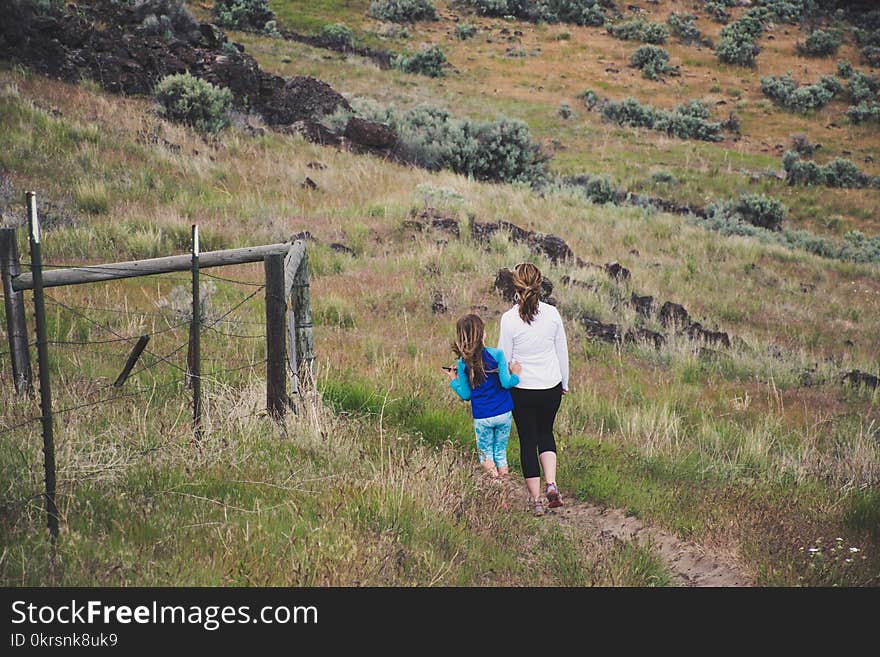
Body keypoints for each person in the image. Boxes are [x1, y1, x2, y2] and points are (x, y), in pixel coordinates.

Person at [498, 263, 569, 516]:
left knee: (528, 441)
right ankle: (552, 483)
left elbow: (504, 358)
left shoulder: (508, 320)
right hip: (550, 386)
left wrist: (503, 385)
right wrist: (565, 382)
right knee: (546, 434)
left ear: (516, 288)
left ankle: (537, 501)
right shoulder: (552, 314)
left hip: (522, 389)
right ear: (540, 286)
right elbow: (562, 351)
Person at [447, 314, 522, 480]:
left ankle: (496, 486)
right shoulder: (498, 355)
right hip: (504, 412)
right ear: (482, 335)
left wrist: (454, 380)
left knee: (486, 455)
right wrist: (515, 374)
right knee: (500, 453)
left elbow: (466, 395)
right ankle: (504, 488)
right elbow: (506, 383)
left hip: (483, 416)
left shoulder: (462, 363)